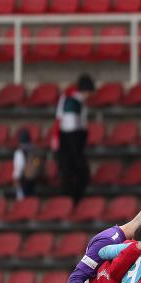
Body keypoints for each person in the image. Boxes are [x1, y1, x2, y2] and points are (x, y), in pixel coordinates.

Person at [53, 74, 94, 202]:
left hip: (66, 140)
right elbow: (71, 128)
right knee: (76, 174)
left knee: (69, 174)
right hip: (71, 141)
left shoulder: (69, 98)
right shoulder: (73, 102)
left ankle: (70, 203)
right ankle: (72, 203)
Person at [12, 129, 43, 200]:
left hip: (23, 180)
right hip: (35, 179)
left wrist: (16, 182)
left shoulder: (19, 152)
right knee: (32, 201)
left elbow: (18, 169)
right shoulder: (35, 150)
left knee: (23, 203)